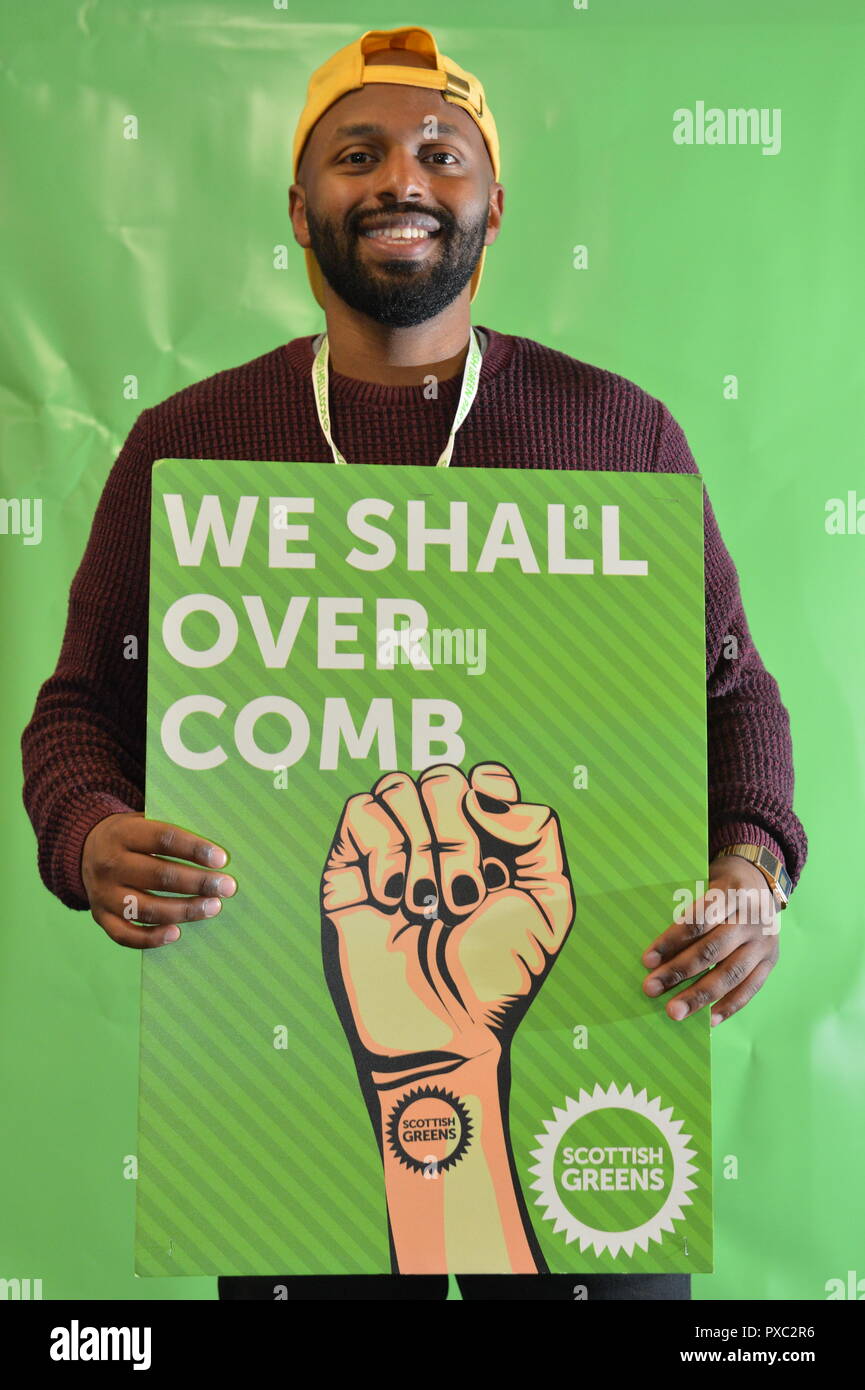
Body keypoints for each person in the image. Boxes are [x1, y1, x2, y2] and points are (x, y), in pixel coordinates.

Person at [20, 24, 807, 1302]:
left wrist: (752, 865)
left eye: (443, 154)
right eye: (357, 153)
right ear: (300, 204)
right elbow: (81, 711)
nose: (402, 179)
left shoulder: (616, 431)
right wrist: (89, 832)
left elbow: (732, 695)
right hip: (275, 1095)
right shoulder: (190, 442)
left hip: (593, 1058)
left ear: (492, 205)